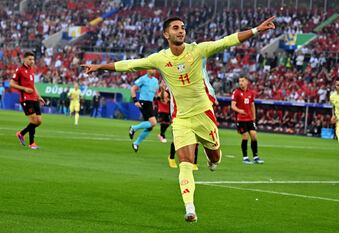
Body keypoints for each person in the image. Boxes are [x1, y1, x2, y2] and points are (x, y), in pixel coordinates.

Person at [81, 16, 276, 222]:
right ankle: (190, 207)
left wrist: (256, 30)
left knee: (215, 157)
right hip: (181, 118)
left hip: (204, 114)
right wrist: (100, 67)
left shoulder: (197, 50)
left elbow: (227, 40)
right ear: (166, 34)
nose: (181, 31)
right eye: (176, 28)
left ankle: (212, 159)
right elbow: (131, 64)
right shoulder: (160, 59)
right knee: (186, 162)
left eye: (183, 27)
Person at [10, 51, 45, 149]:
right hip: (25, 99)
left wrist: (38, 96)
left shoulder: (31, 70)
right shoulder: (19, 70)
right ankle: (32, 143)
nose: (32, 61)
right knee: (34, 121)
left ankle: (21, 133)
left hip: (34, 98)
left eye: (33, 59)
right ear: (24, 59)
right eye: (30, 59)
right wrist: (24, 89)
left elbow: (33, 85)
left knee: (39, 121)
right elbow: (11, 84)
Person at [231, 76, 264, 165]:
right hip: (241, 119)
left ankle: (256, 157)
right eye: (239, 81)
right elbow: (233, 106)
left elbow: (252, 105)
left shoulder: (251, 93)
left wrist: (254, 118)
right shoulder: (236, 92)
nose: (241, 82)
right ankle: (245, 157)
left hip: (249, 118)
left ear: (247, 82)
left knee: (254, 135)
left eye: (242, 81)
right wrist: (239, 111)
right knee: (245, 136)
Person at [128, 70, 159, 152]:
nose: (154, 70)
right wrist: (135, 100)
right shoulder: (143, 79)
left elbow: (155, 94)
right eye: (152, 69)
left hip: (150, 103)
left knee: (150, 127)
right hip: (143, 102)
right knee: (154, 123)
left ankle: (136, 143)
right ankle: (133, 128)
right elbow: (133, 89)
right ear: (148, 70)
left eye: (154, 69)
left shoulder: (156, 81)